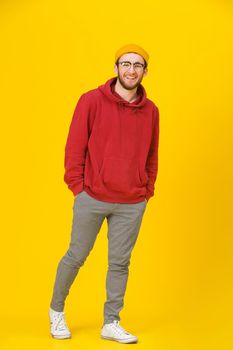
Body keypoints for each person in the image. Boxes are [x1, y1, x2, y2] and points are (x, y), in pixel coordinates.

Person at [49, 43, 160, 344]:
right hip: (92, 196)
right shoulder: (91, 101)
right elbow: (74, 147)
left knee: (120, 264)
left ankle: (111, 321)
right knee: (76, 255)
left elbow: (152, 154)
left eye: (138, 65)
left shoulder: (151, 111)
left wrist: (146, 189)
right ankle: (56, 311)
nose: (131, 70)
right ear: (116, 68)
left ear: (145, 71)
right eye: (126, 63)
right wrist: (78, 188)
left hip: (132, 200)